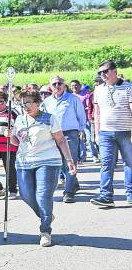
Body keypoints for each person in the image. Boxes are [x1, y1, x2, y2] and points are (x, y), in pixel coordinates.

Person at [4, 91, 76, 247]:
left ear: (38, 103)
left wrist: (69, 160)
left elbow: (61, 140)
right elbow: (17, 142)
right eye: (23, 104)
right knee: (26, 195)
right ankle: (47, 215)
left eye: (29, 102)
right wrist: (9, 136)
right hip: (24, 162)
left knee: (43, 196)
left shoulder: (49, 118)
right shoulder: (20, 120)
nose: (26, 106)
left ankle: (45, 230)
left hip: (48, 161)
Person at [91, 61, 132, 207]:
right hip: (105, 133)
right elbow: (97, 113)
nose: (102, 75)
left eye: (105, 71)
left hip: (125, 131)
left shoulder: (128, 87)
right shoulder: (98, 90)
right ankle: (106, 196)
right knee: (106, 164)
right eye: (100, 73)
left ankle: (130, 194)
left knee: (129, 163)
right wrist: (96, 134)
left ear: (114, 71)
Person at [41, 75, 85, 203]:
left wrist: (81, 130)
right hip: (53, 135)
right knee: (58, 163)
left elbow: (81, 115)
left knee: (70, 162)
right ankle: (73, 183)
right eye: (54, 84)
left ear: (64, 85)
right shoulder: (47, 102)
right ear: (50, 86)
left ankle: (69, 192)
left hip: (70, 134)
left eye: (59, 83)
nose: (57, 86)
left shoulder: (73, 99)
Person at [83, 77, 101, 163]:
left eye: (99, 81)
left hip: (105, 119)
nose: (97, 83)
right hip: (94, 119)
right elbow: (90, 108)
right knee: (93, 139)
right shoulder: (92, 95)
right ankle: (97, 154)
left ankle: (105, 156)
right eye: (96, 82)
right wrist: (90, 118)